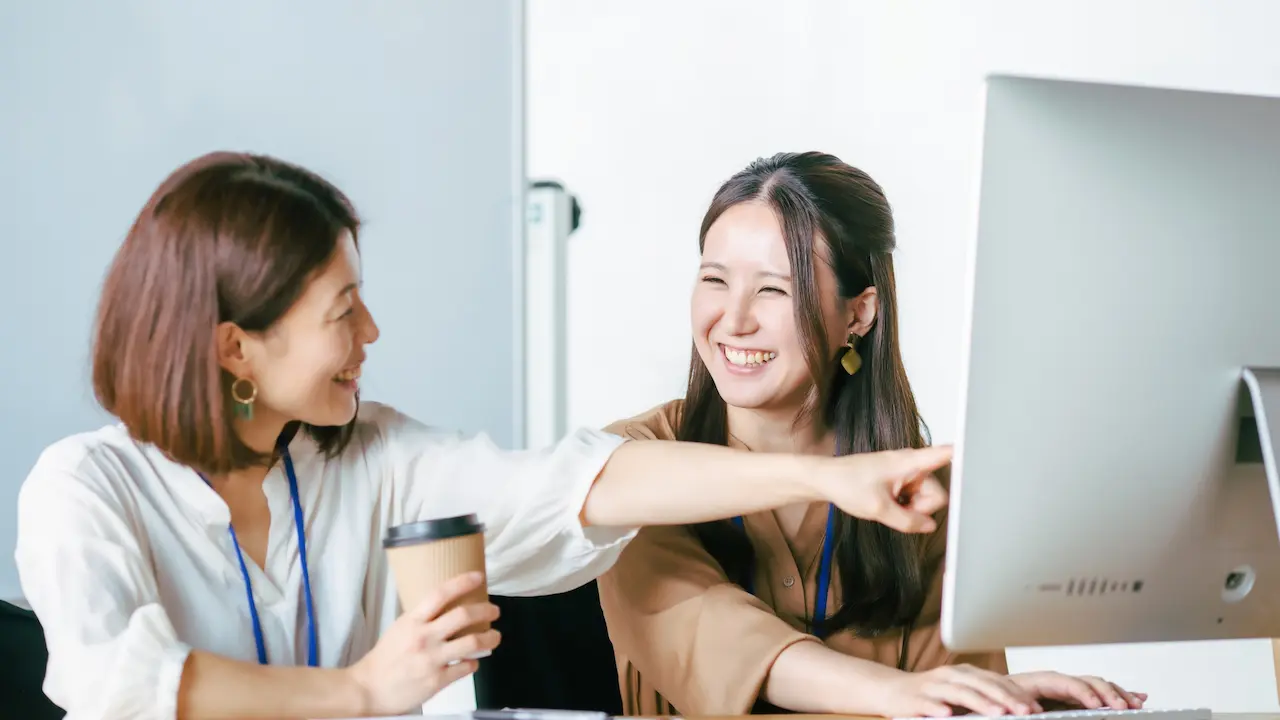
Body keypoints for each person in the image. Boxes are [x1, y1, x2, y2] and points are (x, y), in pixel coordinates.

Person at [12, 152, 956, 720]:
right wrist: (364, 694)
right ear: (237, 348)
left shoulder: (370, 456)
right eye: (344, 311)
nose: (372, 335)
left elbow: (580, 484)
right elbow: (120, 688)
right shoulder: (83, 491)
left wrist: (831, 481)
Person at [597, 151, 1146, 719]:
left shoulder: (927, 494)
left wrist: (1005, 704)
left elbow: (951, 700)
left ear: (858, 314)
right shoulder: (630, 467)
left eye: (774, 290)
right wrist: (893, 691)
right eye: (715, 280)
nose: (734, 320)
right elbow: (710, 630)